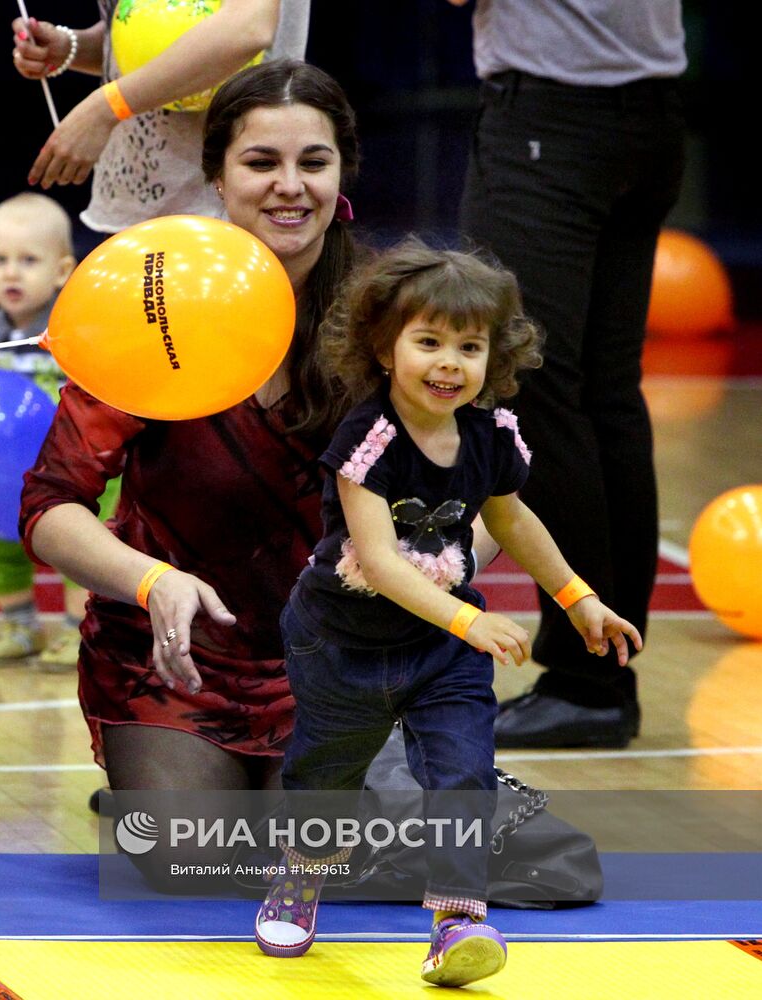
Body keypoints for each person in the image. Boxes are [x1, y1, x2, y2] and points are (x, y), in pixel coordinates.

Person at [253, 238, 643, 986]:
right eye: (428, 341)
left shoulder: (491, 435)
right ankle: (301, 873)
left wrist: (577, 598)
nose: (449, 363)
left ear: (494, 356)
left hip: (441, 652)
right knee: (326, 778)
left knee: (464, 776)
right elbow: (377, 561)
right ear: (383, 347)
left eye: (469, 347)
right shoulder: (367, 439)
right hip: (340, 644)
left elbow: (512, 519)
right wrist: (470, 621)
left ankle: (456, 922)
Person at [18, 60, 361, 873]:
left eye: (312, 162)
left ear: (342, 172)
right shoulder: (150, 308)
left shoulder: (385, 318)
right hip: (172, 666)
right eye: (260, 162)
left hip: (340, 667)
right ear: (216, 175)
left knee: (336, 864)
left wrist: (420, 571)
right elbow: (50, 507)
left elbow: (479, 498)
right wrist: (151, 582)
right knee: (190, 862)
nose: (289, 186)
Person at [447, 0, 687, 748]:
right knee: (604, 395)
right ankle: (604, 675)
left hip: (551, 116)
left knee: (532, 385)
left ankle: (588, 680)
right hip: (651, 111)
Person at [0, 192, 119, 669]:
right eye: (0, 260)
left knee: (80, 546)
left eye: (28, 260)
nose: (11, 273)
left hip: (78, 467)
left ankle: (77, 629)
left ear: (61, 271)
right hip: (7, 471)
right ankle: (20, 625)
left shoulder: (72, 330)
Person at [11, 0, 310, 232]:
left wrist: (105, 107)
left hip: (229, 209)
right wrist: (72, 48)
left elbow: (246, 28)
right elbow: (166, 21)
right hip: (138, 207)